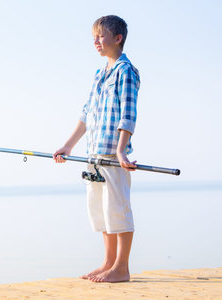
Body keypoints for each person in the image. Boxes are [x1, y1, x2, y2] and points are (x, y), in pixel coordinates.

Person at [53, 15, 140, 283]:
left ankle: (121, 268)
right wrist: (68, 146)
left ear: (118, 38)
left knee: (117, 210)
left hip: (112, 155)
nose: (96, 41)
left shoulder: (126, 71)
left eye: (101, 36)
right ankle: (108, 263)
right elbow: (86, 114)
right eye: (94, 37)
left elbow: (128, 114)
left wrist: (121, 151)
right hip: (93, 154)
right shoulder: (99, 74)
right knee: (102, 213)